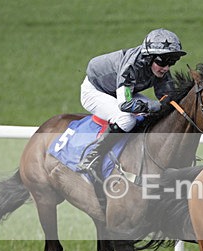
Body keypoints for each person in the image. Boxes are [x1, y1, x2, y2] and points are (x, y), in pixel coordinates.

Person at [77, 28, 187, 175]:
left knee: (154, 114)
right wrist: (157, 106)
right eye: (163, 62)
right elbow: (125, 105)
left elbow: (168, 99)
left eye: (172, 62)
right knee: (125, 120)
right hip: (95, 91)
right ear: (149, 57)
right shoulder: (131, 67)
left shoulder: (160, 68)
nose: (166, 68)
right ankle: (93, 155)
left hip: (120, 91)